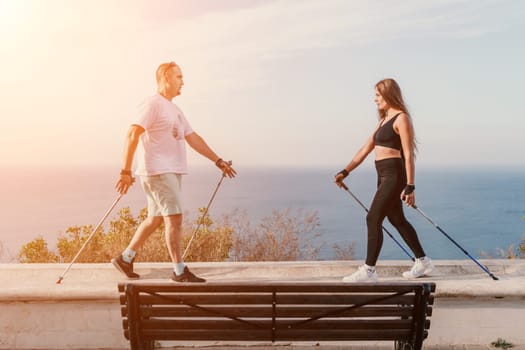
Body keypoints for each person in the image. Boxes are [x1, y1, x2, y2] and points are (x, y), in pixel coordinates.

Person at [112, 61, 236, 282]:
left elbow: (193, 138)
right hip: (159, 171)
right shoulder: (152, 104)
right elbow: (132, 134)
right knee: (174, 219)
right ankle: (179, 271)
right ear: (165, 79)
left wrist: (218, 161)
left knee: (155, 218)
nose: (183, 82)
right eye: (179, 77)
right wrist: (125, 170)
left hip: (168, 171)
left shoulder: (175, 110)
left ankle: (126, 257)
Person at [334, 78, 434, 282]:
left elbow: (408, 155)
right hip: (383, 175)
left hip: (394, 175)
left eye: (378, 95)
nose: (375, 99)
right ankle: (423, 261)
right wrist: (345, 171)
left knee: (373, 218)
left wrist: (410, 186)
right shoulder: (382, 122)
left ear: (389, 95)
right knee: (396, 219)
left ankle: (369, 270)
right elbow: (364, 149)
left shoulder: (401, 119)